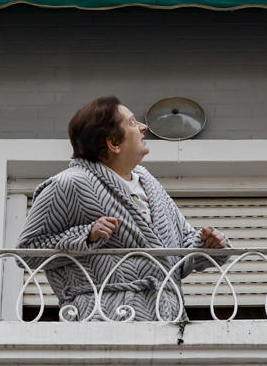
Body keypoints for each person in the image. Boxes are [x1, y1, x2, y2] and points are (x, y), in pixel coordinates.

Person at [16, 96, 231, 321]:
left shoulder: (150, 184)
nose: (143, 127)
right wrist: (85, 237)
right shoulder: (70, 183)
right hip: (103, 319)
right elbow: (27, 252)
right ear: (114, 143)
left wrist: (208, 244)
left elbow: (178, 251)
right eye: (132, 122)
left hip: (167, 320)